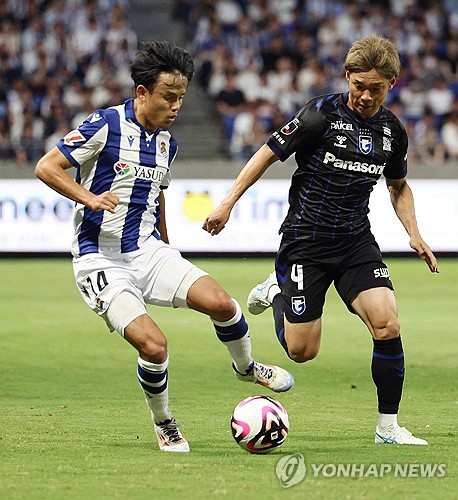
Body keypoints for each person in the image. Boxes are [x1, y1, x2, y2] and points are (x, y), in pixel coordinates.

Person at [35, 41, 293, 453]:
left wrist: (169, 250)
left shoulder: (166, 143)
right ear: (142, 93)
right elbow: (46, 167)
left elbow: (158, 195)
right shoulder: (105, 124)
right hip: (100, 258)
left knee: (223, 304)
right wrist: (90, 199)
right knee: (154, 346)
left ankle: (246, 368)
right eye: (168, 97)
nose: (176, 107)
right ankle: (164, 423)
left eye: (181, 98)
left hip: (149, 252)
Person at [203, 35, 439, 445]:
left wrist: (414, 234)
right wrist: (227, 203)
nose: (365, 96)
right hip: (306, 242)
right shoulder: (319, 115)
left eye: (375, 88)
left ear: (393, 84)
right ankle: (277, 290)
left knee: (387, 324)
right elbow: (266, 153)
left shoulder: (392, 131)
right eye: (358, 85)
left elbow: (398, 187)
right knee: (301, 352)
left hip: (354, 242)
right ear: (347, 76)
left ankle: (388, 428)